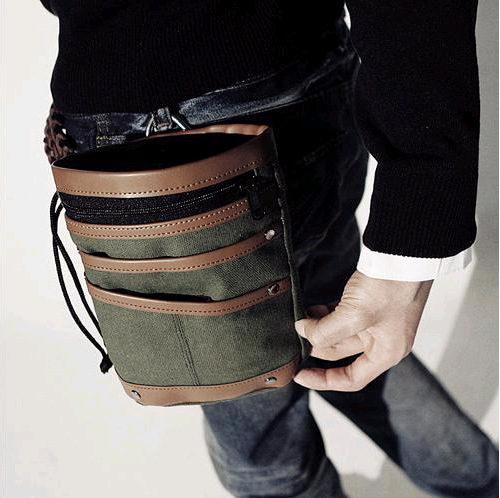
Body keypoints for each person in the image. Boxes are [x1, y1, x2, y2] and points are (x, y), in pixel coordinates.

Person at [41, 1, 498, 496]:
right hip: (306, 80)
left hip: (183, 140)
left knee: (267, 461)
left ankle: (476, 478)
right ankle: (478, 478)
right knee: (342, 325)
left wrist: (412, 238)